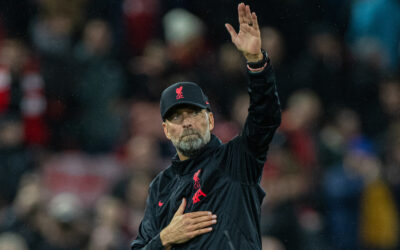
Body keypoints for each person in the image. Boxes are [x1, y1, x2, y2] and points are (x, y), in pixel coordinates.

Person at [131, 3, 281, 249]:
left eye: (193, 113)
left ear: (211, 120)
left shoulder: (237, 160)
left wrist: (256, 63)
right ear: (166, 130)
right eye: (177, 117)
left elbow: (265, 118)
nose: (187, 122)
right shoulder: (160, 186)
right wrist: (165, 238)